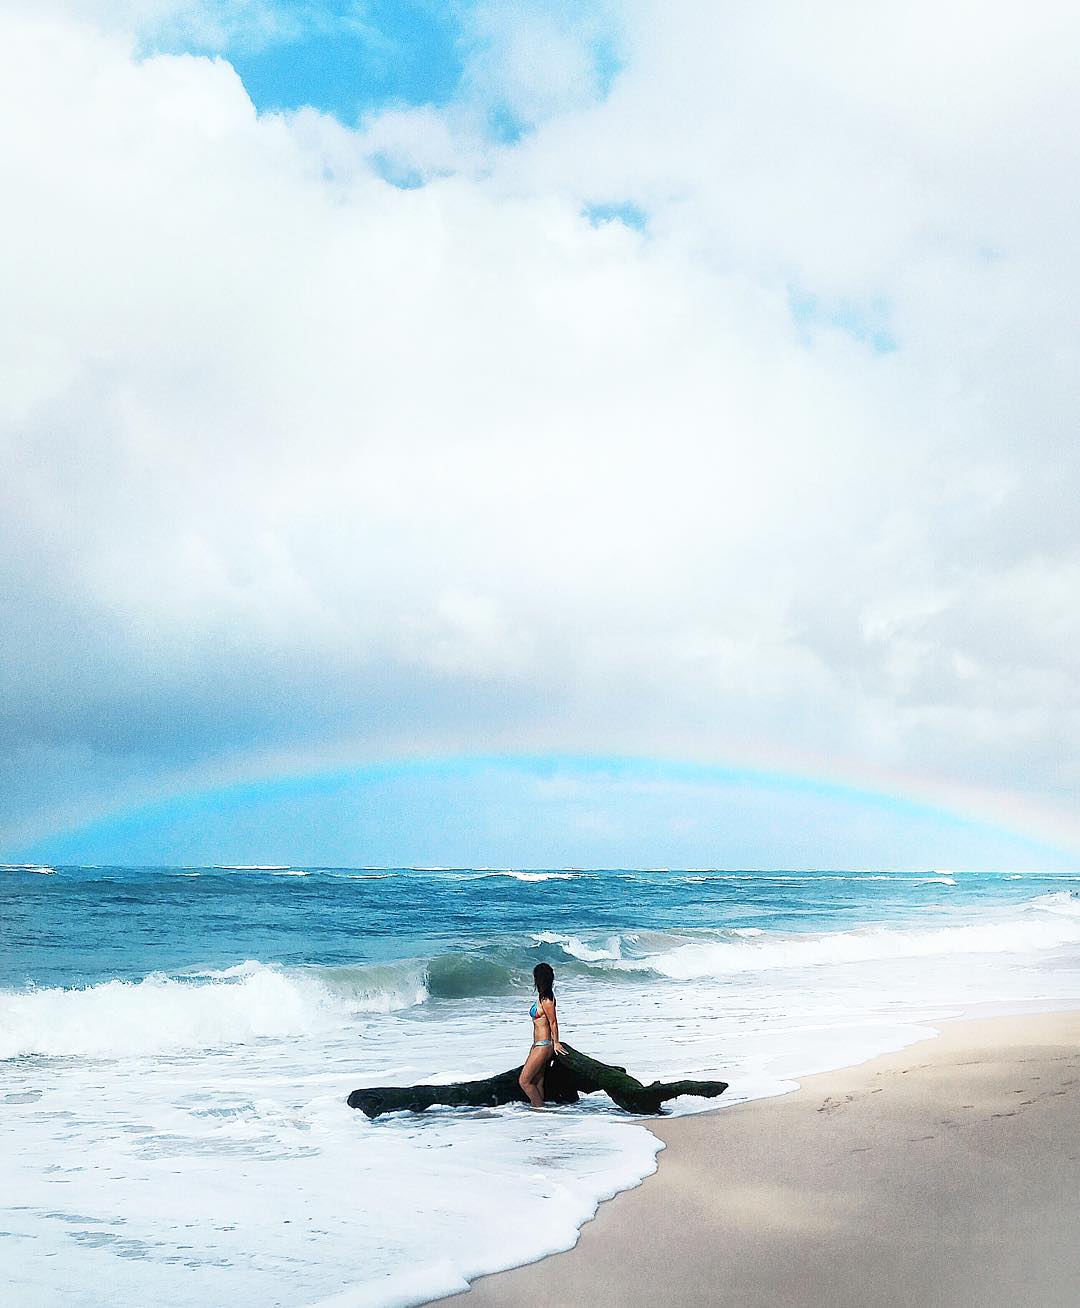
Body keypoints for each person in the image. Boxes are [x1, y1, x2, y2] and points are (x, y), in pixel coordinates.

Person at [518, 962, 566, 1108]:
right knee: (538, 1081)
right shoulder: (542, 996)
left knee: (524, 1081)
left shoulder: (547, 1000)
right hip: (537, 1045)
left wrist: (556, 1042)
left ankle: (540, 1110)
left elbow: (553, 1022)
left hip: (544, 1045)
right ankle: (540, 1116)